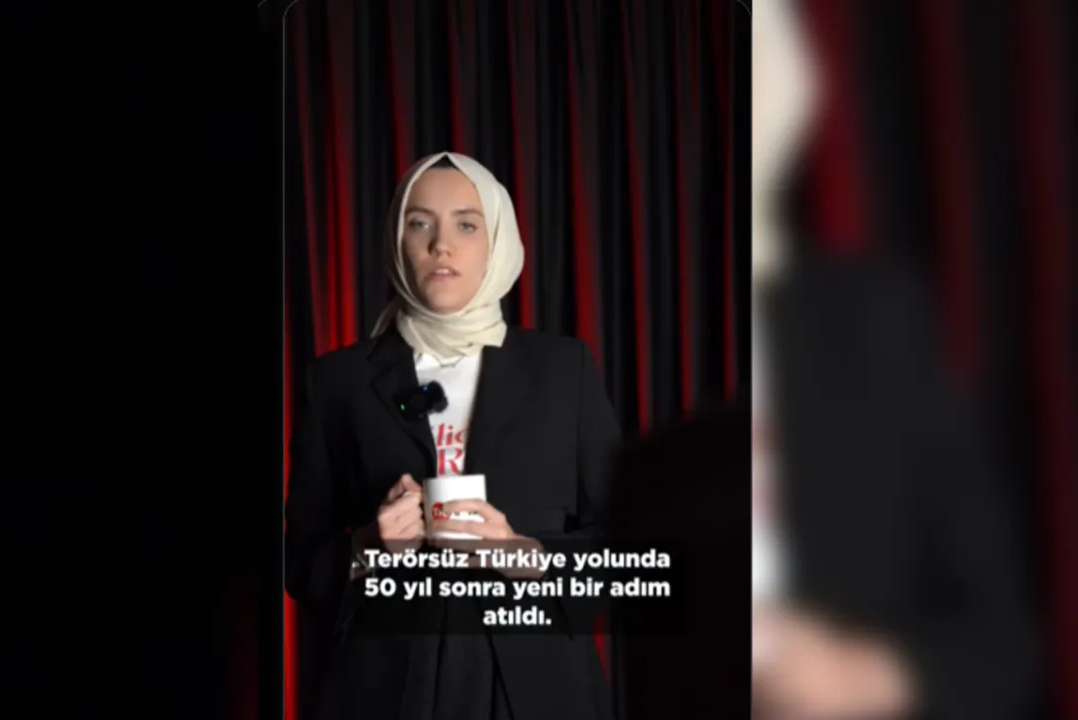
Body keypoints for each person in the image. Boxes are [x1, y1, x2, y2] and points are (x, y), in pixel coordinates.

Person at [611, 1, 1038, 718]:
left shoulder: (877, 329)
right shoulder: (608, 331)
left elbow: (1001, 640)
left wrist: (867, 676)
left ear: (798, 89)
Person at [285, 151, 621, 720]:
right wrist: (366, 549)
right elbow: (300, 562)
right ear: (397, 241)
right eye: (420, 223)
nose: (441, 245)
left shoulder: (565, 369)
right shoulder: (338, 381)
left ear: (498, 242)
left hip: (537, 684)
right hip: (387, 686)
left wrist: (528, 556)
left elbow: (626, 536)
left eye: (466, 225)